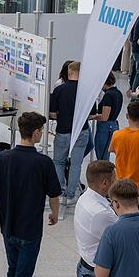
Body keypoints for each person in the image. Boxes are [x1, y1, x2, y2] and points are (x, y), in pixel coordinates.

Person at [0, 112, 61, 277]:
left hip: (8, 227)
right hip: (30, 231)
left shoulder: (3, 158)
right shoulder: (43, 163)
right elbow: (54, 195)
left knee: (12, 271)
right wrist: (54, 213)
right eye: (41, 131)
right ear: (36, 132)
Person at [50, 61, 96, 204]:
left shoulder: (59, 90)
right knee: (76, 164)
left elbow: (52, 114)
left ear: (69, 72)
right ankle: (71, 196)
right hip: (81, 131)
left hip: (63, 130)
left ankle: (59, 192)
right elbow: (92, 115)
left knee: (58, 162)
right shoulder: (87, 91)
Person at [93, 72, 123, 161]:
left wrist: (92, 117)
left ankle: (103, 174)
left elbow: (104, 117)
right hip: (113, 125)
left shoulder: (108, 95)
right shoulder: (118, 93)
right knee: (106, 155)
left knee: (102, 157)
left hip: (105, 128)